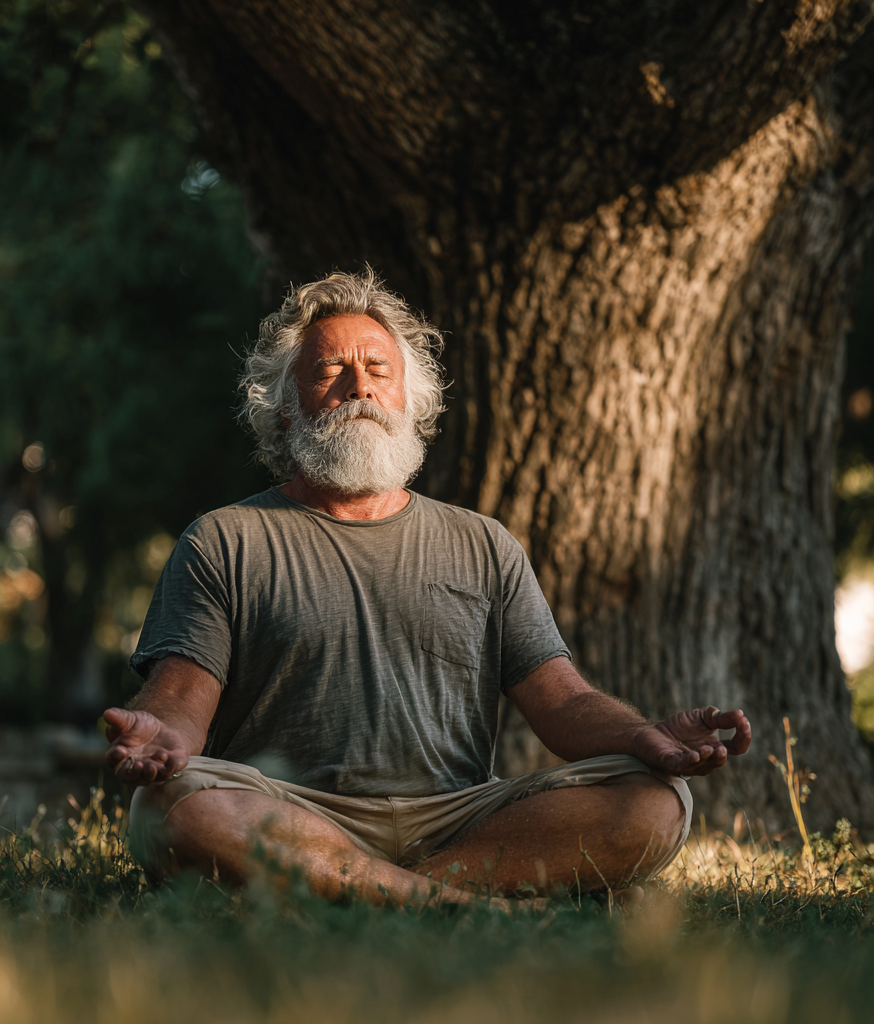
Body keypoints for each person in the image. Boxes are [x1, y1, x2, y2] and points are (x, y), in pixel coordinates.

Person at [103, 269, 751, 909]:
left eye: (380, 371)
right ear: (284, 402)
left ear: (411, 395)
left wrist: (644, 735)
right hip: (288, 805)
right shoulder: (225, 538)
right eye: (331, 371)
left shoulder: (484, 543)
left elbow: (562, 704)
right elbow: (182, 702)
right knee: (169, 807)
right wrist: (160, 735)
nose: (361, 387)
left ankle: (370, 887)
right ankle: (456, 898)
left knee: (657, 799)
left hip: (459, 818)